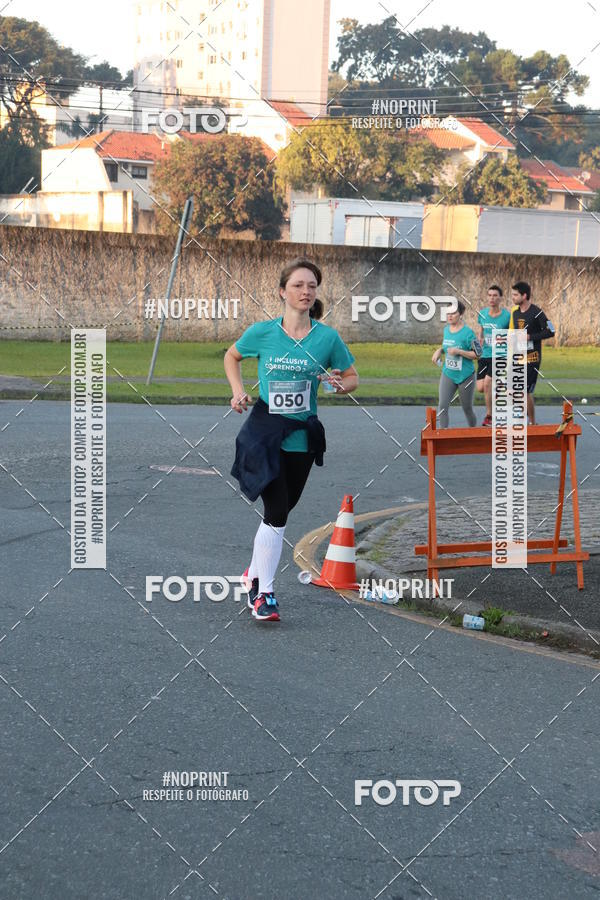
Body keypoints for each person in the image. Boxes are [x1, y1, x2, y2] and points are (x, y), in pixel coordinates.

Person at [224, 258, 359, 623]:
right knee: (277, 510)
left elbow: (352, 377)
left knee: (284, 509)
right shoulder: (263, 332)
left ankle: (252, 573)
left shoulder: (326, 338)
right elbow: (232, 356)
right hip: (265, 431)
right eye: (298, 285)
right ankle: (263, 594)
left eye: (312, 285)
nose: (306, 291)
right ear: (283, 291)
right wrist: (238, 391)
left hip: (303, 434)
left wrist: (338, 385)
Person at [509, 281, 555, 425]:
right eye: (512, 294)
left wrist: (530, 337)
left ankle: (532, 422)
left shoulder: (537, 312)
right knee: (510, 389)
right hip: (518, 357)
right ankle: (522, 418)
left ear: (524, 295)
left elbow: (551, 331)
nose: (513, 297)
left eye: (515, 295)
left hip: (532, 357)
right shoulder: (515, 313)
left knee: (524, 391)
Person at [432, 300, 481, 428]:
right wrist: (439, 351)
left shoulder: (468, 333)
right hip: (448, 373)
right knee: (442, 406)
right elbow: (446, 347)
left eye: (453, 313)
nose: (450, 316)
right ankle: (443, 437)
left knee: (467, 408)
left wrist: (459, 351)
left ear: (461, 314)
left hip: (465, 376)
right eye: (448, 313)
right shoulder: (446, 330)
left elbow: (478, 354)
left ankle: (473, 433)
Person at [476, 285, 512, 426]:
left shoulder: (507, 316)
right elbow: (481, 330)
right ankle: (500, 387)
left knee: (487, 383)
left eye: (495, 295)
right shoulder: (483, 314)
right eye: (489, 295)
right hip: (485, 354)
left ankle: (489, 416)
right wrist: (480, 339)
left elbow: (512, 335)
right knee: (480, 387)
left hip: (500, 355)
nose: (492, 298)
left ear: (500, 298)